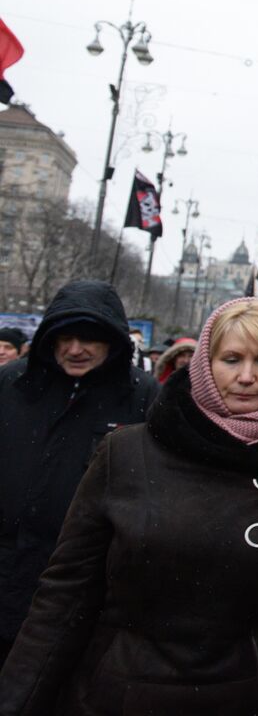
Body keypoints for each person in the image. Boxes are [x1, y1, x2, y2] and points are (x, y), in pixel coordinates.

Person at [0, 297, 258, 713]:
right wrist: (16, 699)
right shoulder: (127, 453)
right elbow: (66, 594)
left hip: (257, 692)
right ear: (206, 363)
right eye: (231, 358)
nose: (245, 376)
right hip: (122, 691)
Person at [0, 281, 158, 665]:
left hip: (87, 584)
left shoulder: (142, 396)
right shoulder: (12, 384)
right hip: (7, 569)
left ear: (114, 341)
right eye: (65, 337)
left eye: (89, 338)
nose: (75, 349)